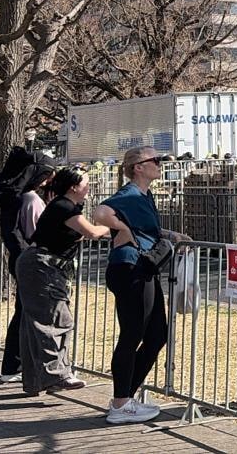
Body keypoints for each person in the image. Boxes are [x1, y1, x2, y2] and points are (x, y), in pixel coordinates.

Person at [93, 146, 192, 424]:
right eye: (155, 160)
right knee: (132, 334)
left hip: (144, 269)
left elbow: (146, 229)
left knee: (157, 335)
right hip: (130, 268)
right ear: (138, 167)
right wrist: (123, 229)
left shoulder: (145, 196)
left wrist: (171, 235)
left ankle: (125, 397)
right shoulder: (129, 194)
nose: (160, 164)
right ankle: (121, 402)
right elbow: (100, 213)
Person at [16, 167, 114, 396]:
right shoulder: (64, 206)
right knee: (55, 319)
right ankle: (57, 374)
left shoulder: (64, 207)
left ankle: (38, 381)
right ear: (74, 186)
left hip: (42, 265)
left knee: (35, 324)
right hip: (43, 266)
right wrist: (117, 225)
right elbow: (93, 232)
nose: (89, 187)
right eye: (86, 183)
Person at [0, 144, 39, 383]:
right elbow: (38, 231)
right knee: (27, 314)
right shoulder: (27, 198)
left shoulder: (11, 195)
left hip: (20, 257)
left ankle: (13, 366)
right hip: (29, 259)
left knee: (22, 312)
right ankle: (18, 365)